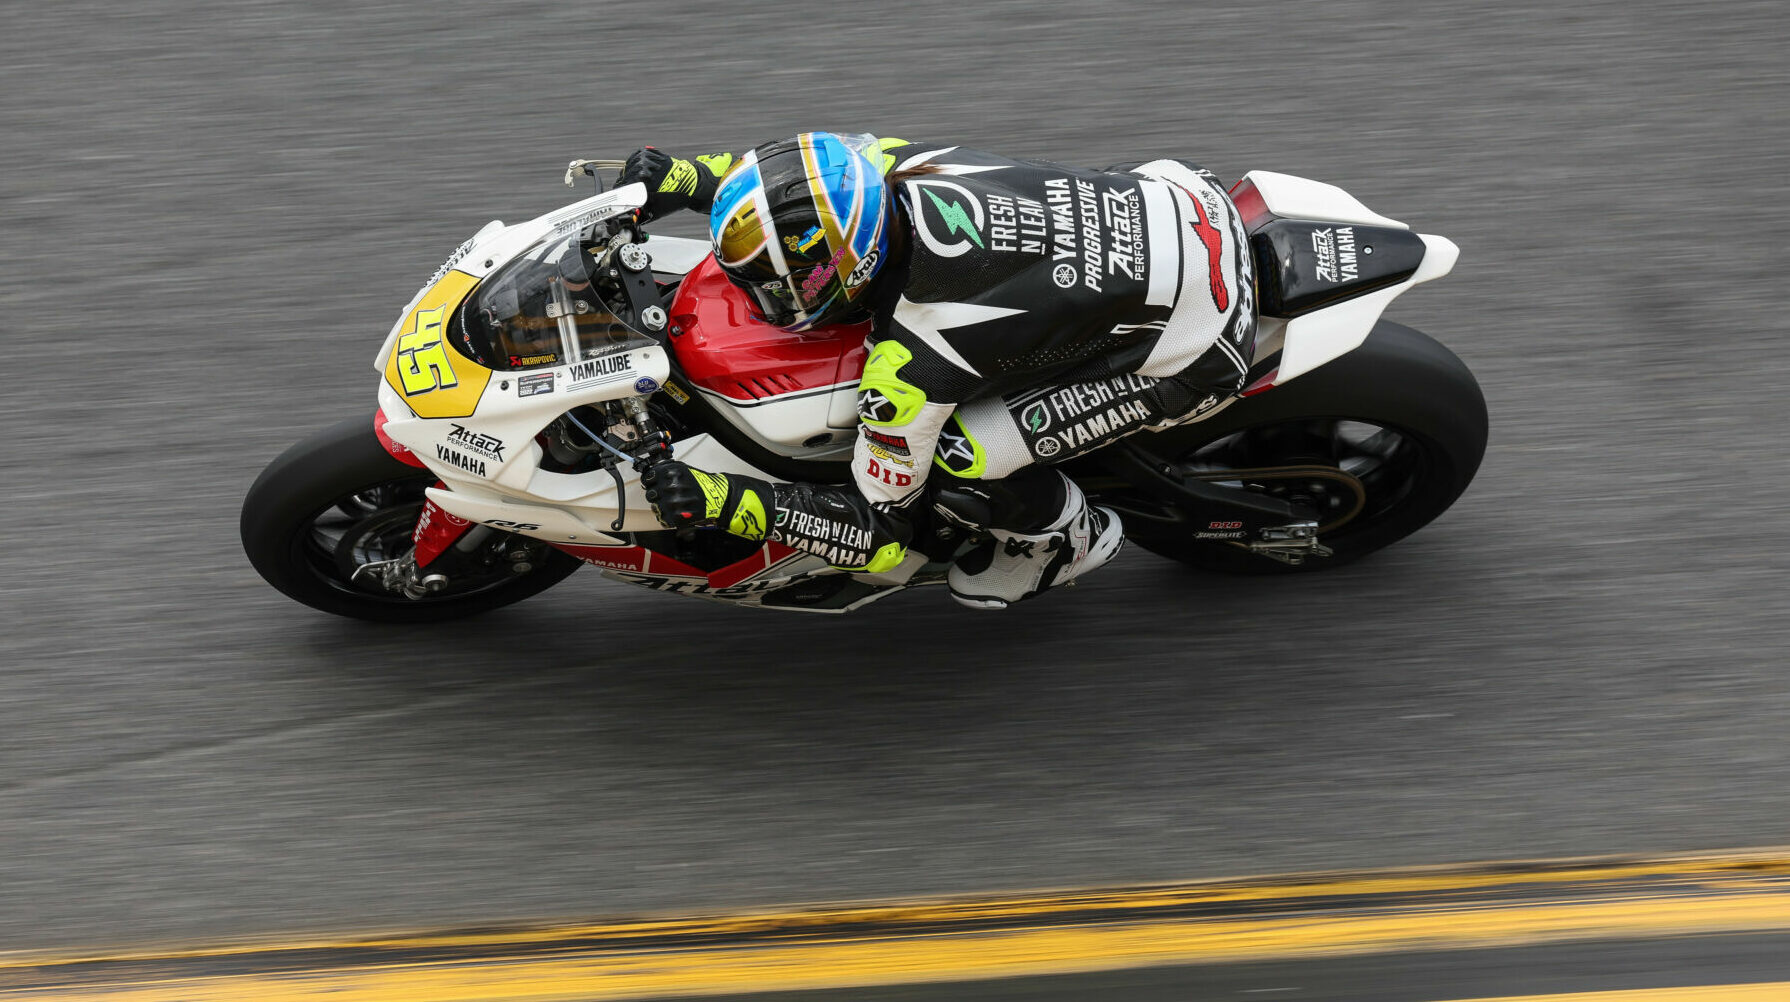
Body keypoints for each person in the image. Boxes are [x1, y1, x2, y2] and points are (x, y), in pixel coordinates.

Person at [621, 133, 1255, 609]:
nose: (759, 298)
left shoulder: (912, 364)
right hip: (1188, 196)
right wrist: (685, 177)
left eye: (770, 285)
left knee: (957, 456)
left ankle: (1058, 541)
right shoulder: (886, 166)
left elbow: (881, 535)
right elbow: (799, 184)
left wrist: (720, 498)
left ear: (839, 273)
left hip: (1202, 343)